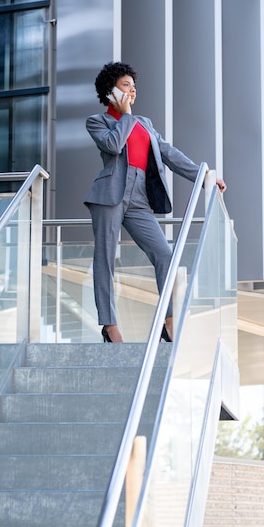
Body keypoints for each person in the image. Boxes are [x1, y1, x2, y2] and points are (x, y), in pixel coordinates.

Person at [85, 61, 226, 343]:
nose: (133, 90)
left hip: (139, 197)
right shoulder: (97, 121)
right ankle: (110, 326)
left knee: (165, 255)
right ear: (110, 90)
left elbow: (169, 154)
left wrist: (204, 175)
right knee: (105, 259)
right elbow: (113, 146)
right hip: (109, 194)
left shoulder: (145, 124)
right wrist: (124, 115)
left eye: (134, 86)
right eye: (126, 85)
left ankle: (168, 320)